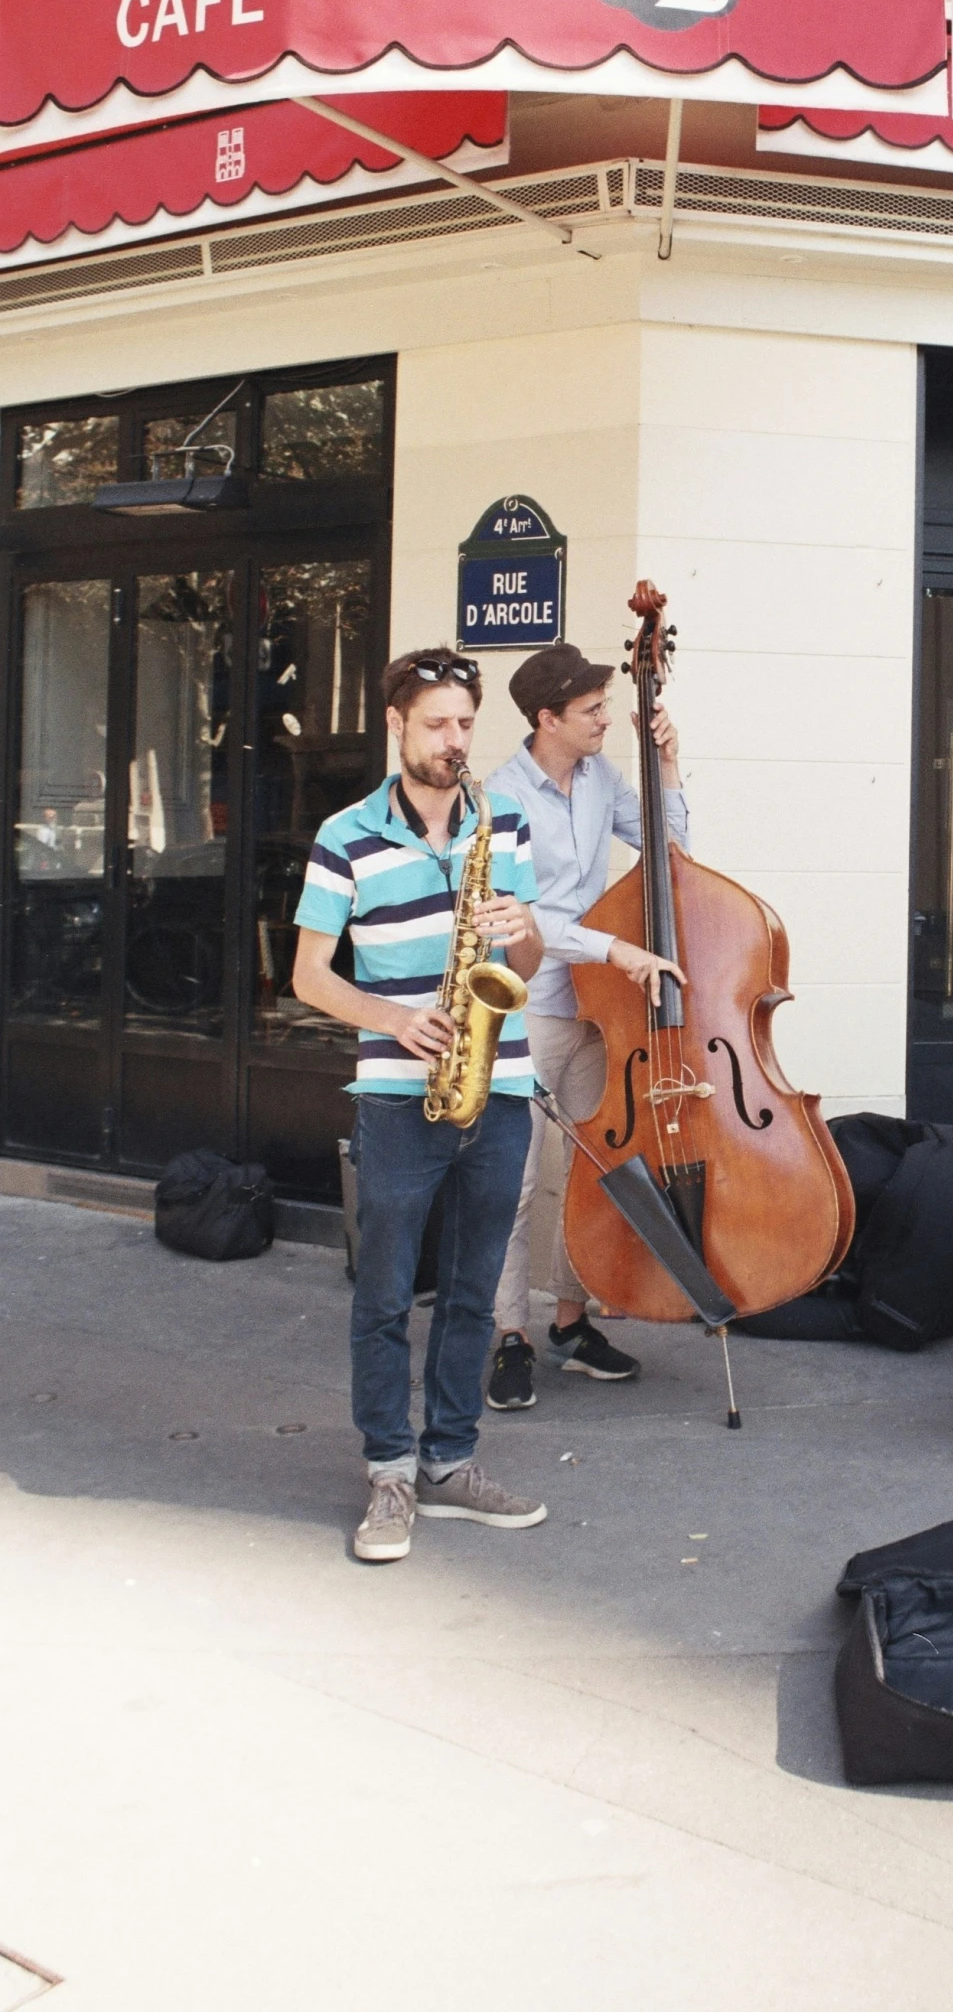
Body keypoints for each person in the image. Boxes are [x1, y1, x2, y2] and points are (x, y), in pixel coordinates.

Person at [292, 647, 548, 1563]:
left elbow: (522, 968)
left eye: (465, 726)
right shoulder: (344, 834)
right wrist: (393, 1018)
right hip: (399, 1097)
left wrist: (526, 936)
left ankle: (450, 1462)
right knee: (387, 1295)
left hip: (500, 1088)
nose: (454, 742)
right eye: (437, 725)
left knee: (475, 1293)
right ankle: (389, 1471)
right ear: (396, 725)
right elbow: (308, 976)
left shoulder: (502, 821)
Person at [484, 640, 687, 1413]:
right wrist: (618, 948)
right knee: (515, 1180)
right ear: (547, 718)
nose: (610, 718)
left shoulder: (602, 775)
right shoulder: (503, 796)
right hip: (530, 1007)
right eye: (593, 710)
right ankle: (511, 1335)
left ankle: (571, 1323)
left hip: (598, 1006)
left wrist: (668, 763)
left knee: (594, 1173)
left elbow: (673, 852)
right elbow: (527, 919)